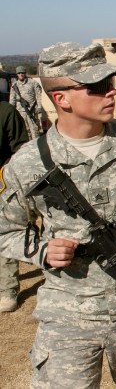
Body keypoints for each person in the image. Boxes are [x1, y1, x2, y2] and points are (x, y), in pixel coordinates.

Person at [0, 42, 116, 387]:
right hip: (68, 315)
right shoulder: (28, 164)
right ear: (62, 99)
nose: (112, 92)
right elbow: (6, 230)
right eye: (97, 86)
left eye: (111, 82)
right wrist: (43, 251)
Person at [0, 100, 29, 313]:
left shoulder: (5, 111)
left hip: (1, 183)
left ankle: (6, 290)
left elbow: (21, 149)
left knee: (3, 233)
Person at [9, 66, 44, 140]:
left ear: (25, 73)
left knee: (34, 130)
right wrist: (11, 111)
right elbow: (12, 99)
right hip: (20, 111)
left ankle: (36, 146)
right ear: (17, 74)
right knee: (25, 130)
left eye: (22, 73)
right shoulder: (14, 85)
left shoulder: (32, 82)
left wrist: (39, 106)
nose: (21, 74)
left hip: (31, 111)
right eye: (19, 73)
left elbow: (39, 95)